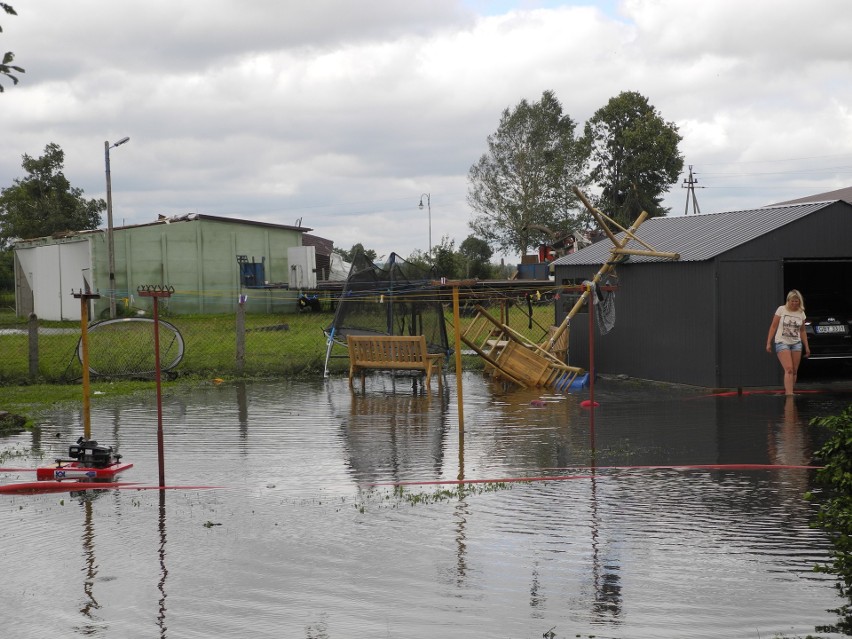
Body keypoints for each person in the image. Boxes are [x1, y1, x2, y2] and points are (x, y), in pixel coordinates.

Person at [765, 290, 811, 396]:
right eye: (792, 301)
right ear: (788, 300)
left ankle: (790, 390)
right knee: (789, 369)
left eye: (796, 301)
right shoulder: (781, 310)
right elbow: (773, 326)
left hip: (796, 343)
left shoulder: (801, 313)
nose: (794, 303)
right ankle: (789, 394)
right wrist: (768, 342)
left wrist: (807, 347)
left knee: (794, 370)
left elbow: (803, 330)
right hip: (782, 342)